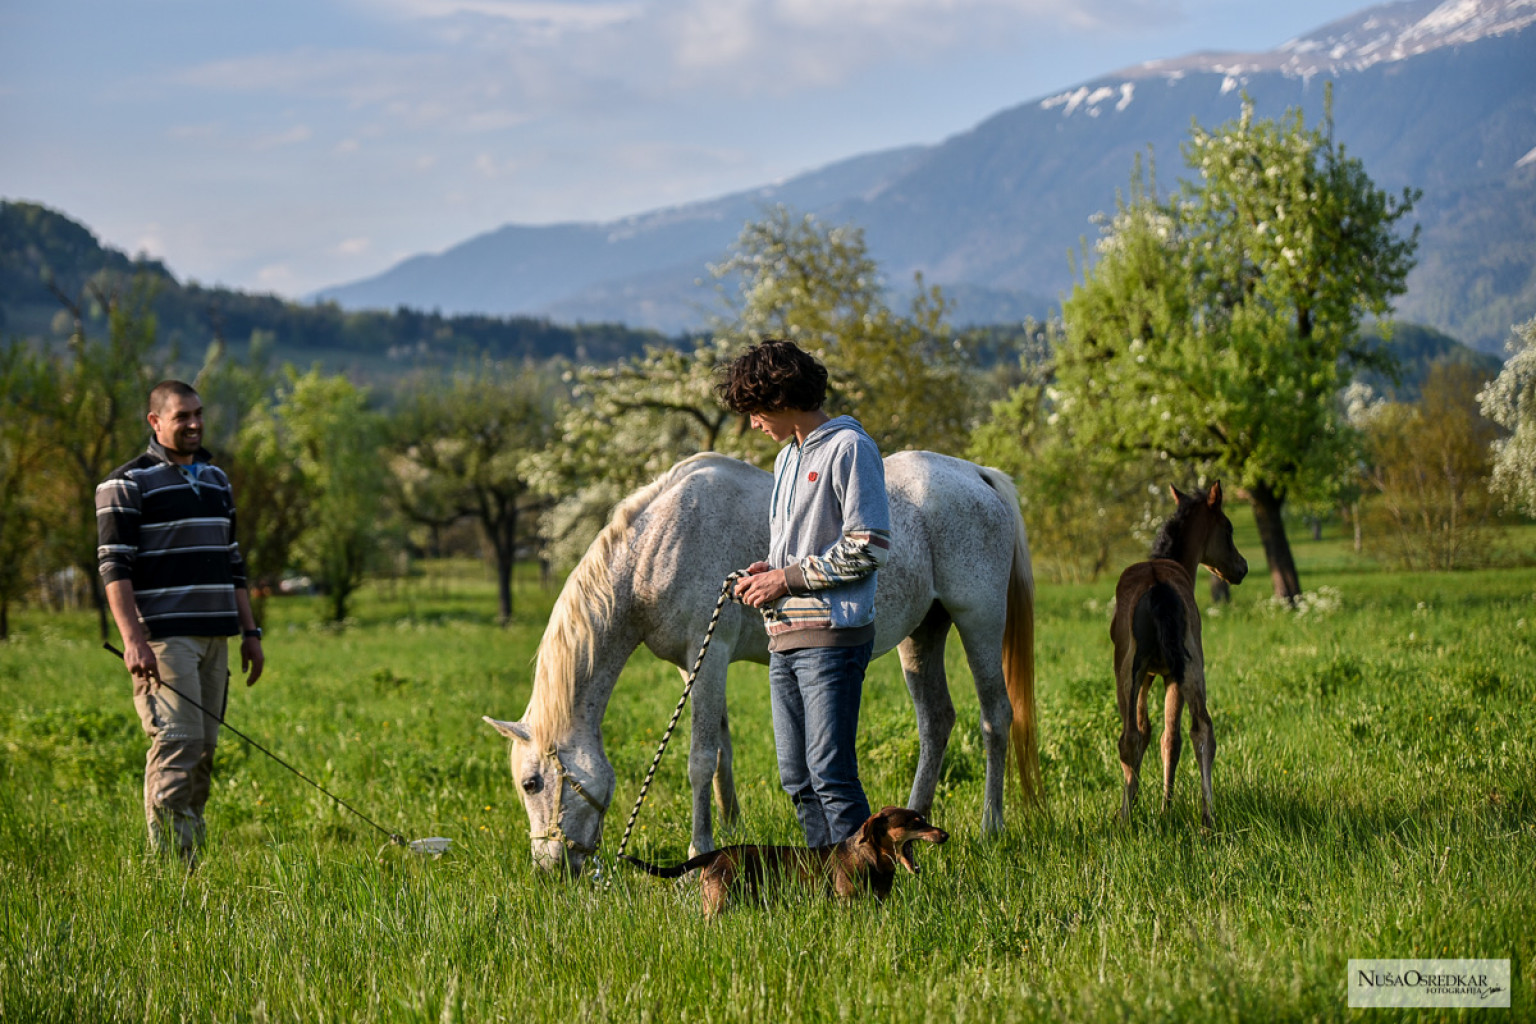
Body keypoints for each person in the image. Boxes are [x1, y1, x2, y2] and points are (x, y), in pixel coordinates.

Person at [717, 339, 891, 848]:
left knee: (831, 776)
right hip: (785, 638)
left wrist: (785, 579)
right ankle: (826, 879)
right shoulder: (786, 460)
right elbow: (804, 549)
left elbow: (869, 546)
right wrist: (769, 571)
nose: (753, 423)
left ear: (782, 398)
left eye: (756, 410)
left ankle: (866, 885)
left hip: (832, 637)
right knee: (797, 780)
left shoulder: (849, 448)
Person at [97, 380, 264, 865]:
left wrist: (250, 633)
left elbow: (233, 563)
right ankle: (172, 871)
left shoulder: (216, 480)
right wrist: (133, 640)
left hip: (216, 637)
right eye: (181, 416)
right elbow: (114, 566)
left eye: (198, 414)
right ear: (155, 422)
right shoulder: (125, 484)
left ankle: (190, 862)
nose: (194, 424)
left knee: (204, 752)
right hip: (164, 640)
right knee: (178, 745)